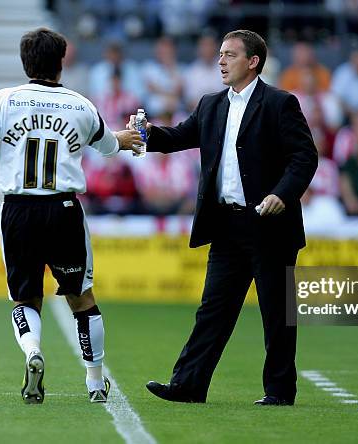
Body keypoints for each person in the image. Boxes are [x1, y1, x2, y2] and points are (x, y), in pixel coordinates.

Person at [130, 30, 318, 406]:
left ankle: (280, 391)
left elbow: (305, 157)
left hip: (270, 224)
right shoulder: (211, 104)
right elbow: (179, 136)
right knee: (212, 311)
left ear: (253, 62)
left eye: (230, 55)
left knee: (276, 315)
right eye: (220, 54)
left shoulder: (281, 103)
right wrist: (148, 134)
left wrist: (282, 194)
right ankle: (188, 386)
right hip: (227, 225)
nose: (220, 61)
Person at [0, 28, 144, 404]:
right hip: (63, 210)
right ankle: (95, 381)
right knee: (82, 298)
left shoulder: (3, 100)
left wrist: (2, 145)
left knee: (25, 299)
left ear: (24, 61)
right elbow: (111, 147)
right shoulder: (80, 104)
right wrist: (125, 138)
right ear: (61, 62)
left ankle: (32, 350)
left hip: (17, 209)